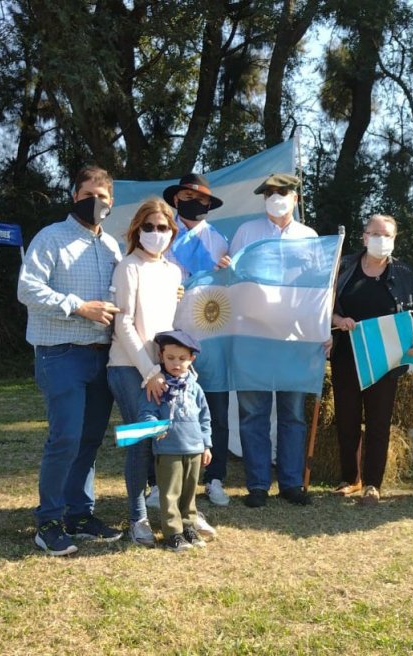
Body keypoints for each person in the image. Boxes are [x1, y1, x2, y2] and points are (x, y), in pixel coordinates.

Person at [17, 165, 123, 555]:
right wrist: (78, 307)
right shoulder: (51, 237)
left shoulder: (112, 247)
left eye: (104, 198)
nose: (96, 202)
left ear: (111, 204)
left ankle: (79, 515)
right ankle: (48, 521)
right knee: (65, 437)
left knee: (90, 440)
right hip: (60, 353)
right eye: (88, 195)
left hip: (102, 356)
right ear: (74, 196)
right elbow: (27, 289)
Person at [229, 173, 316, 507]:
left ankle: (292, 483)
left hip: (295, 338)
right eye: (269, 193)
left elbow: (318, 290)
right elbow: (234, 280)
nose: (276, 198)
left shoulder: (309, 237)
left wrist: (318, 331)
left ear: (295, 198)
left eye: (282, 193)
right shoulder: (246, 233)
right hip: (254, 335)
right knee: (253, 413)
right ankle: (258, 484)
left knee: (293, 413)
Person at [331, 214, 413, 506]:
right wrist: (337, 319)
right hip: (347, 354)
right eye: (375, 234)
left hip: (386, 357)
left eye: (388, 235)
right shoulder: (343, 266)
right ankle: (350, 478)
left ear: (394, 240)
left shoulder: (404, 272)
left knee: (378, 422)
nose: (381, 240)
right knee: (346, 419)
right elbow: (323, 305)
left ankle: (373, 483)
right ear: (364, 237)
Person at [106, 198, 181, 546]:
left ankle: (174, 512)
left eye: (162, 228)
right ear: (137, 230)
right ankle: (138, 520)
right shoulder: (128, 267)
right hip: (127, 367)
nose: (155, 233)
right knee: (138, 441)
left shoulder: (173, 271)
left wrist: (172, 368)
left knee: (165, 441)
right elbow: (123, 323)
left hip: (163, 371)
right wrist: (149, 371)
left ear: (171, 232)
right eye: (148, 227)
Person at [162, 173, 232, 509]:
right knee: (164, 409)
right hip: (172, 337)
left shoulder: (219, 240)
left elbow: (233, 287)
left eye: (204, 201)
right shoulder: (161, 233)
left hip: (212, 337)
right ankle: (157, 481)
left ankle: (215, 478)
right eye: (191, 198)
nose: (198, 204)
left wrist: (230, 272)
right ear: (177, 199)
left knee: (215, 411)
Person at [139, 330, 213, 552]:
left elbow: (205, 417)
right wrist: (153, 426)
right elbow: (146, 412)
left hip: (194, 448)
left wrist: (206, 445)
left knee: (190, 491)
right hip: (168, 449)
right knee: (170, 492)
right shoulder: (158, 386)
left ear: (192, 359)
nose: (176, 363)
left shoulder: (195, 387)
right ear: (161, 357)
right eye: (170, 358)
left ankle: (188, 526)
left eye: (182, 359)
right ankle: (173, 533)